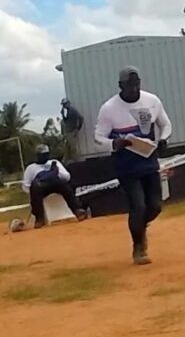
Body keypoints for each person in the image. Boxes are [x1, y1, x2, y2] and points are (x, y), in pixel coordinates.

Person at [94, 67, 172, 266]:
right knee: (138, 205)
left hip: (149, 162)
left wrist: (163, 139)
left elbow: (165, 123)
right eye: (130, 85)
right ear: (121, 86)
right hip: (126, 166)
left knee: (155, 206)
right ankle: (139, 247)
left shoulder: (152, 101)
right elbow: (98, 137)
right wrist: (114, 144)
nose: (135, 88)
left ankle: (139, 227)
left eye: (137, 83)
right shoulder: (109, 108)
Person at [22, 145, 87, 228]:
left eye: (45, 154)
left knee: (64, 185)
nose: (44, 157)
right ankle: (39, 218)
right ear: (37, 155)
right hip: (41, 189)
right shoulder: (31, 168)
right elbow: (25, 186)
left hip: (56, 185)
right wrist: (32, 192)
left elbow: (67, 177)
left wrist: (57, 171)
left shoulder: (54, 162)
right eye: (41, 155)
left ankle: (77, 210)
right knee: (35, 187)